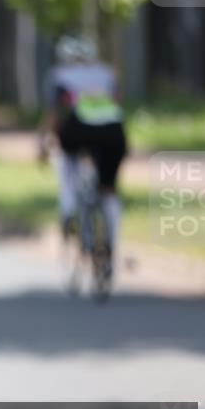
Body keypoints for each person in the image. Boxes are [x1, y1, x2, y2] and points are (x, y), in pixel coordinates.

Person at [39, 36, 127, 272]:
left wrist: (42, 145)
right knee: (109, 188)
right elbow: (117, 103)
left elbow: (55, 112)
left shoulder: (59, 75)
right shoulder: (107, 73)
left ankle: (68, 210)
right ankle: (111, 240)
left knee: (67, 166)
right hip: (113, 131)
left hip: (78, 130)